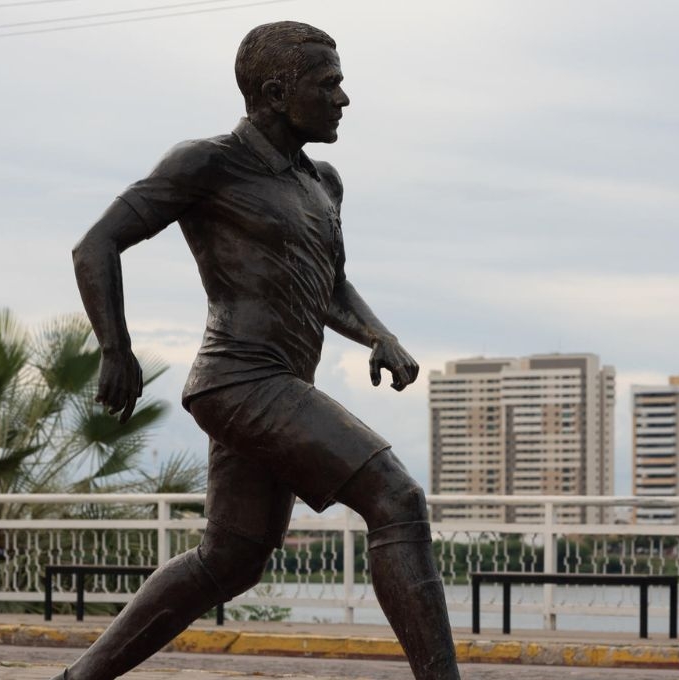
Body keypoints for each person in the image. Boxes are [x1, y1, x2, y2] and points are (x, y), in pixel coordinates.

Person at [59, 22, 460, 680]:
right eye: (329, 84)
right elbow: (96, 245)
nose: (344, 99)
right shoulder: (208, 162)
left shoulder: (322, 183)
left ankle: (79, 679)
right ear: (277, 92)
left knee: (232, 560)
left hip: (270, 387)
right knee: (396, 498)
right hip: (240, 380)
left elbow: (329, 285)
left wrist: (380, 335)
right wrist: (115, 349)